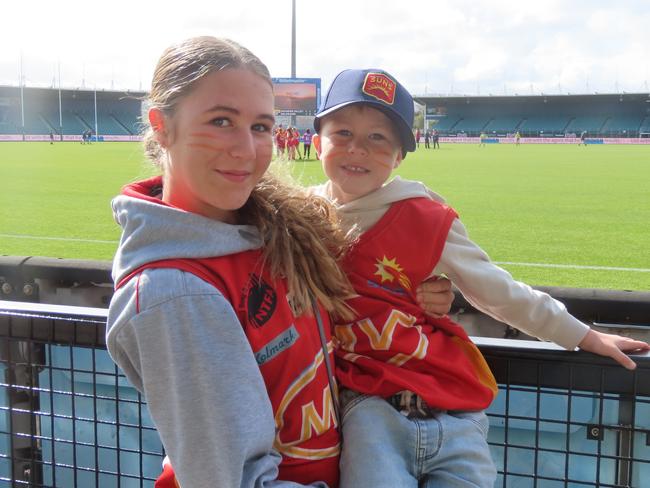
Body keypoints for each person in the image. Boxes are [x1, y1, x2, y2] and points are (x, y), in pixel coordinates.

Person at [107, 38, 454, 488]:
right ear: (162, 127)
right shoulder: (174, 293)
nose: (246, 149)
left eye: (260, 126)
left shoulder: (274, 231)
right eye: (220, 121)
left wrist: (418, 292)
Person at [309, 68, 650, 488]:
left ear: (399, 156)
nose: (357, 148)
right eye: (342, 133)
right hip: (367, 411)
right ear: (315, 144)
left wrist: (583, 335)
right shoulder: (299, 218)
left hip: (453, 411)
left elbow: (497, 291)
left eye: (378, 137)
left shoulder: (426, 216)